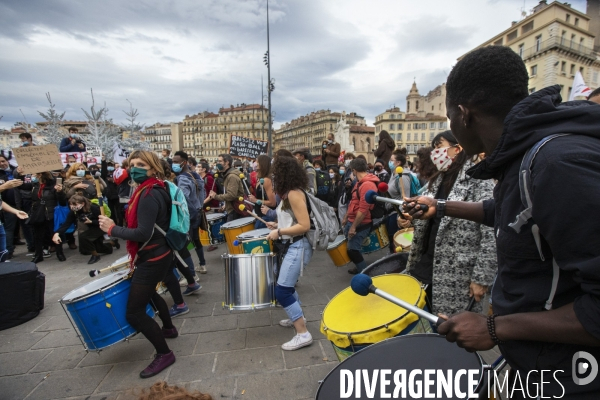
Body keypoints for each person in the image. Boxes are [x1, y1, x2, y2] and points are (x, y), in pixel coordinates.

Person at [404, 45, 600, 398]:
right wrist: (441, 206)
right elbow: (508, 214)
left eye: (449, 119)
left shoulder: (557, 164)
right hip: (537, 363)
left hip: (571, 377)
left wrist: (494, 328)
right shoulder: (525, 155)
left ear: (464, 114)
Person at [98, 150, 177, 379]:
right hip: (160, 253)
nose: (135, 168)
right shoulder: (155, 187)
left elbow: (143, 232)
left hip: (152, 257)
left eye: (141, 164)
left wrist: (112, 229)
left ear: (153, 168)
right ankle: (169, 329)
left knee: (134, 313)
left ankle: (164, 353)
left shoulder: (148, 194)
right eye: (132, 164)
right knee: (150, 293)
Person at [403, 131, 496, 315]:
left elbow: (491, 232)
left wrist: (481, 278)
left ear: (457, 148)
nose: (435, 153)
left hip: (458, 274)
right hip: (427, 264)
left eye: (439, 147)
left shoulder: (479, 179)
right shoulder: (438, 179)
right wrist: (410, 214)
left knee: (455, 332)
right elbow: (427, 210)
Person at [265, 156, 313, 351]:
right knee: (287, 286)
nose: (274, 177)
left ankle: (303, 333)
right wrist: (278, 224)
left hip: (298, 246)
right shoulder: (289, 194)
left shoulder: (294, 194)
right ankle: (298, 316)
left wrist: (279, 232)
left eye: (276, 173)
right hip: (292, 245)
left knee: (282, 291)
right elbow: (293, 220)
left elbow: (304, 225)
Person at [172, 151, 207, 274]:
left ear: (184, 162)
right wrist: (199, 206)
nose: (173, 164)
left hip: (189, 215)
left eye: (176, 162)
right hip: (197, 212)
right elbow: (203, 193)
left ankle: (190, 273)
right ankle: (202, 264)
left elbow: (183, 198)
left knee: (184, 244)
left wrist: (189, 212)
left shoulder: (182, 178)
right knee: (195, 239)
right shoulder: (194, 175)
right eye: (173, 162)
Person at [343, 158, 379, 274]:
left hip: (361, 223)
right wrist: (346, 218)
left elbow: (363, 210)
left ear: (354, 170)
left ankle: (364, 272)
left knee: (353, 250)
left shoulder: (367, 185)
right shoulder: (359, 183)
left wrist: (353, 227)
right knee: (352, 248)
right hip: (353, 220)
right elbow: (353, 201)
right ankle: (359, 267)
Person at [53, 195, 112, 264]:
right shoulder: (74, 212)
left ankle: (95, 255)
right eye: (71, 204)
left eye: (74, 204)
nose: (72, 206)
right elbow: (67, 224)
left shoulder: (93, 208)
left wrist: (92, 222)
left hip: (101, 226)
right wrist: (57, 233)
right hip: (92, 227)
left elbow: (103, 221)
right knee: (99, 248)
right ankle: (112, 243)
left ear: (82, 204)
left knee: (83, 237)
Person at [29, 172, 66, 263]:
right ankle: (38, 255)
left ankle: (60, 253)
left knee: (55, 233)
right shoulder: (34, 186)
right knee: (38, 235)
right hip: (38, 213)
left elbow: (62, 201)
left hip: (51, 213)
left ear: (40, 175)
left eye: (35, 175)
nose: (33, 176)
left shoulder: (53, 186)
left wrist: (60, 192)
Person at [207, 154, 244, 222]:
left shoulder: (232, 176)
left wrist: (216, 196)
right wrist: (226, 205)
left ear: (227, 162)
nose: (218, 163)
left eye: (220, 161)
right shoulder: (228, 175)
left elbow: (231, 195)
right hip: (232, 209)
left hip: (235, 211)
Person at [0, 155, 23, 259]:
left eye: (3, 161)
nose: (2, 164)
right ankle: (8, 252)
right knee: (9, 229)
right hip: (8, 204)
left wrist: (16, 211)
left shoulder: (15, 170)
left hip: (18, 204)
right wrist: (4, 187)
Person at [248, 154, 276, 229]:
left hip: (266, 217)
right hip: (260, 216)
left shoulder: (266, 180)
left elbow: (273, 203)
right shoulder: (260, 178)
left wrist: (256, 200)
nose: (255, 164)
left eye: (257, 162)